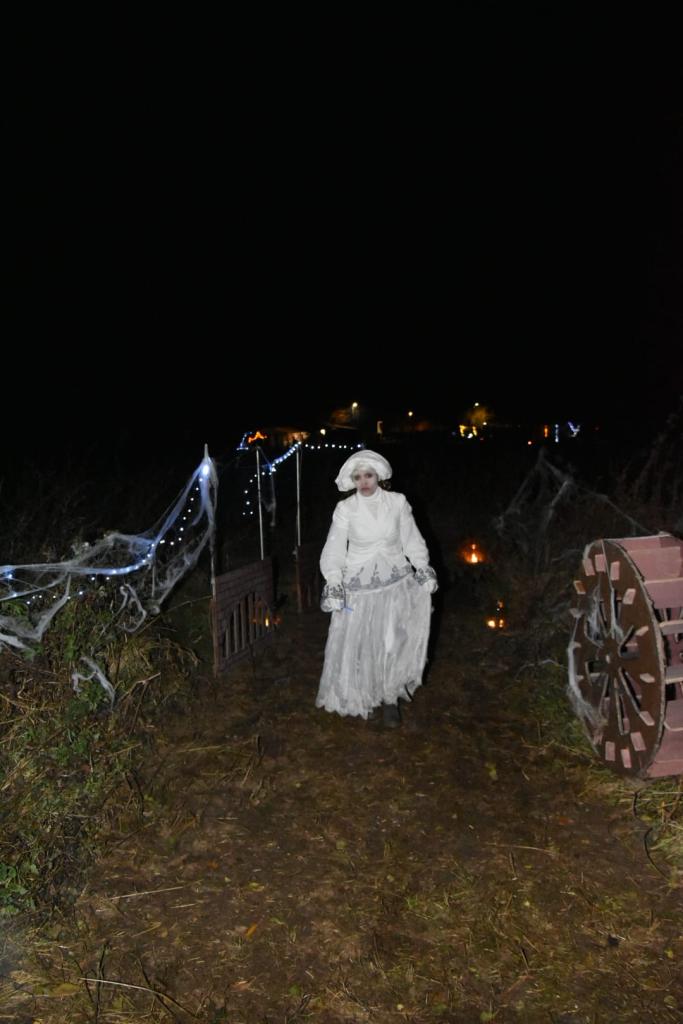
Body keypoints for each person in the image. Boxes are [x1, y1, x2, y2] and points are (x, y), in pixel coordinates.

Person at [316, 449, 438, 727]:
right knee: (360, 642)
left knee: (392, 640)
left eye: (368, 475)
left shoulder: (397, 502)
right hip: (359, 586)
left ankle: (390, 697)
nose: (364, 482)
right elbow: (334, 548)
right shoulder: (346, 509)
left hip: (396, 583)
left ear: (379, 476)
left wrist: (422, 567)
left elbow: (411, 538)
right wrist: (333, 580)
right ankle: (361, 695)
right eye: (358, 477)